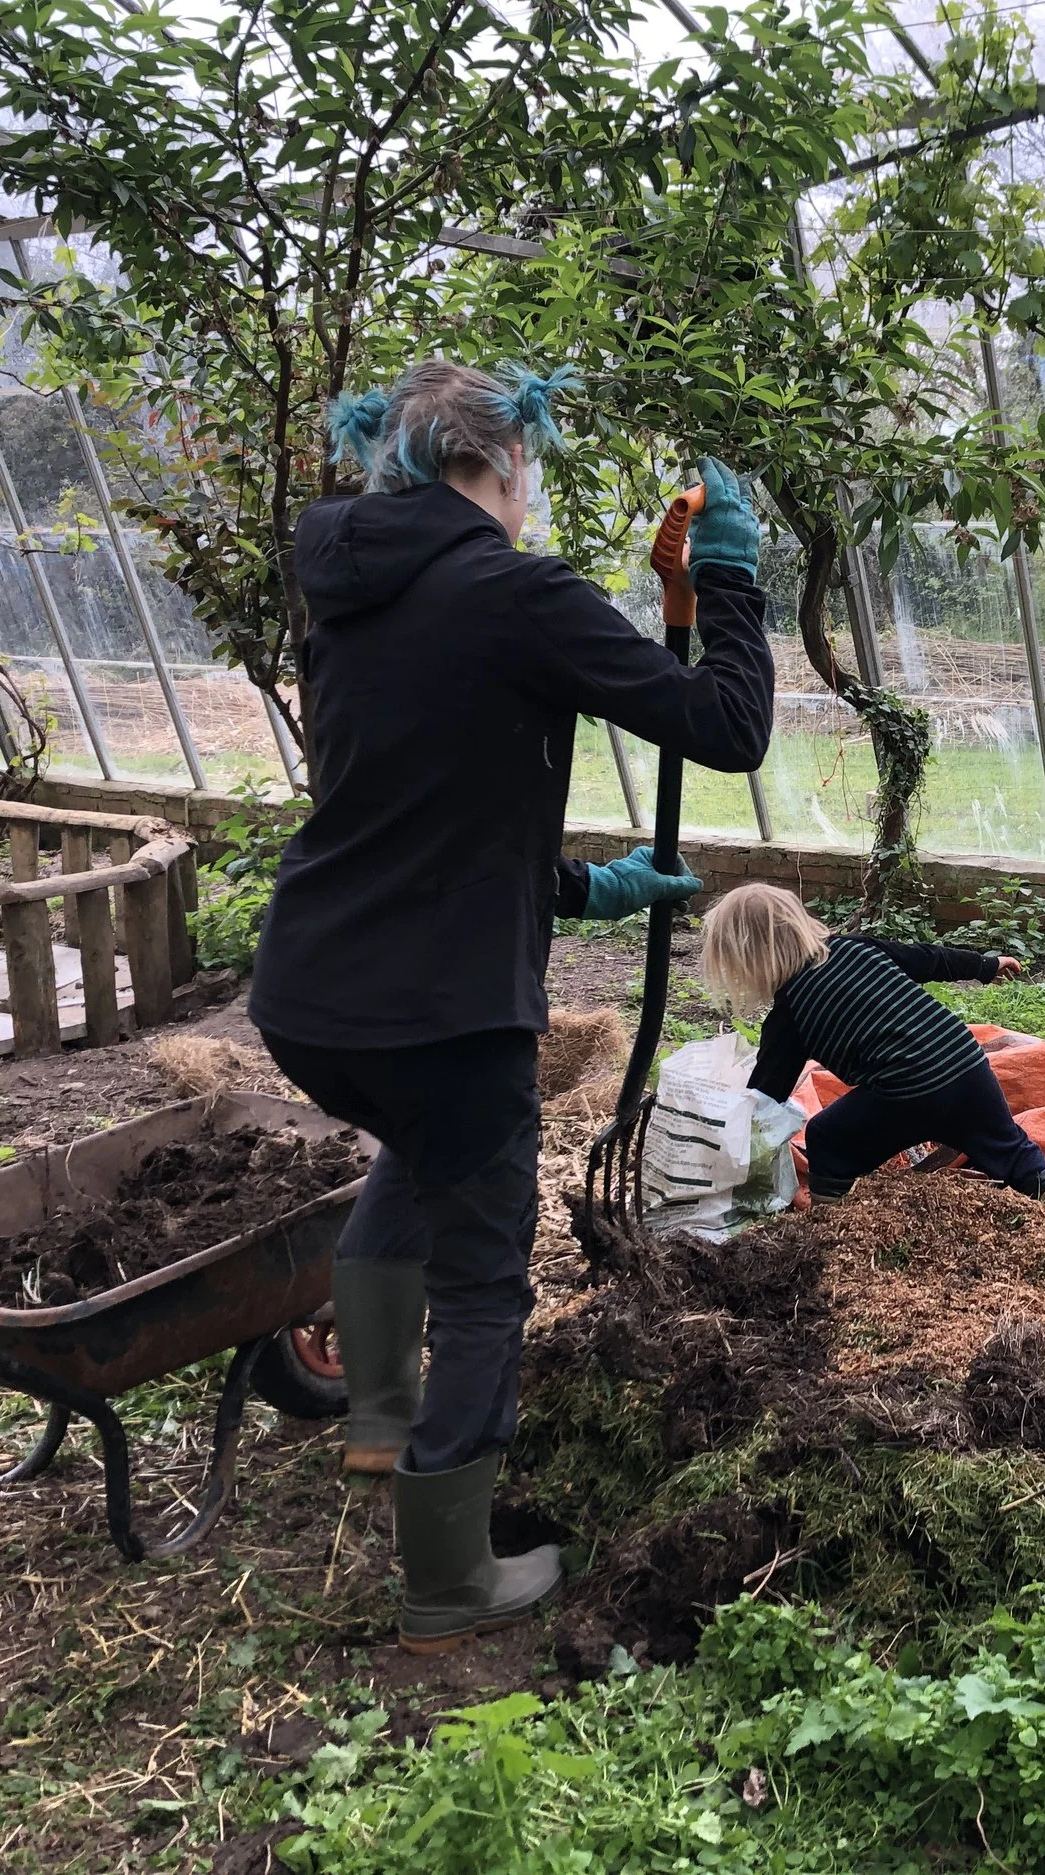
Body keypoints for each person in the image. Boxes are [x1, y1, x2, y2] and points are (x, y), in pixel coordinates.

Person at [250, 359, 773, 1654]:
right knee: (485, 1281)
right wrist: (734, 579)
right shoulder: (513, 587)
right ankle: (447, 1580)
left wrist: (587, 884)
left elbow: (421, 808)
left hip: (314, 992)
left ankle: (378, 1420)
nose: (530, 494)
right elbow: (725, 722)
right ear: (498, 465)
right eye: (528, 471)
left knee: (416, 1160)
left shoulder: (349, 597)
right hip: (444, 1006)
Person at [697, 883, 1045, 1222]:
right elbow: (928, 958)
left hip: (908, 1092)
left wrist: (721, 1136)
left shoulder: (790, 1013)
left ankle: (828, 1234)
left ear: (747, 959)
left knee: (826, 1139)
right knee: (1014, 1151)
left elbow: (766, 1099)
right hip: (965, 1062)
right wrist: (986, 965)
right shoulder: (855, 947)